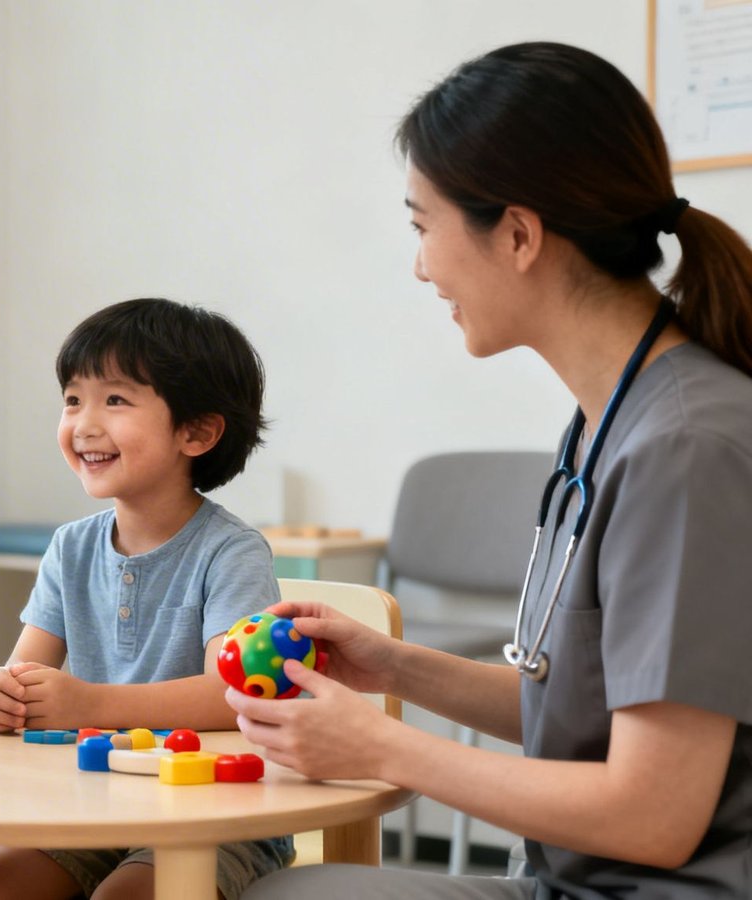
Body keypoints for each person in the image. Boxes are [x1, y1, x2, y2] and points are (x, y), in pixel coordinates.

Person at [235, 42, 752, 900]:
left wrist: (381, 745)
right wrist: (393, 666)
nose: (421, 265)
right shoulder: (609, 419)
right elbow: (580, 715)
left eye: (421, 225)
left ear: (517, 234)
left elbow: (655, 815)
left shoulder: (684, 449)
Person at [0, 298, 291, 900]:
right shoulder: (71, 547)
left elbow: (231, 695)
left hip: (215, 810)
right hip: (97, 801)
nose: (83, 422)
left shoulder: (232, 552)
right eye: (73, 399)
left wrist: (87, 701)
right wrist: (3, 694)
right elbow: (26, 674)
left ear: (197, 431)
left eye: (115, 400)